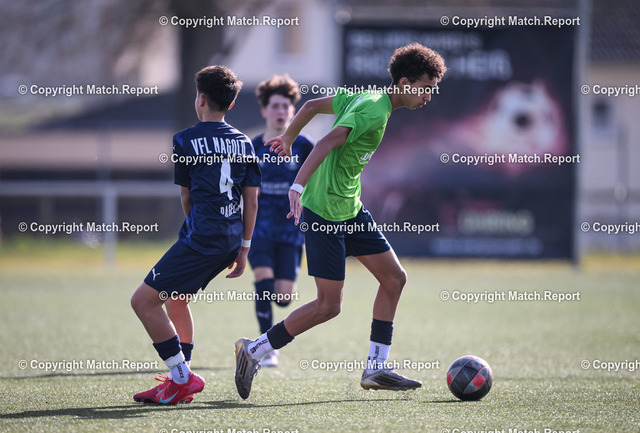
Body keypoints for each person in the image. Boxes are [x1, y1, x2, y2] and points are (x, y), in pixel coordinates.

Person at [234, 42, 446, 399]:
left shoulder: (368, 97)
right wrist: (297, 186)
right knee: (328, 306)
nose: (428, 96)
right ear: (405, 83)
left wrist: (288, 137)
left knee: (394, 278)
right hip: (324, 213)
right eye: (425, 88)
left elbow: (311, 106)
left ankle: (376, 368)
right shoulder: (374, 110)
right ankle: (253, 351)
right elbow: (326, 142)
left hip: (350, 209)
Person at [131, 65, 260, 405]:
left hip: (202, 238)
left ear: (200, 99)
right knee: (176, 299)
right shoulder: (245, 142)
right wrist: (244, 248)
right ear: (231, 104)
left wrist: (195, 233)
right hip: (231, 239)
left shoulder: (185, 139)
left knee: (143, 302)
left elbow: (186, 196)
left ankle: (182, 377)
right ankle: (179, 380)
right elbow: (251, 200)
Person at [249, 75, 314, 367]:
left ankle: (268, 340)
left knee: (284, 298)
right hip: (259, 228)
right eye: (274, 106)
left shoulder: (304, 146)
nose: (280, 111)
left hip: (291, 231)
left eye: (285, 106)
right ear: (264, 110)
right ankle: (266, 349)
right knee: (262, 280)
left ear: (293, 111)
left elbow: (317, 181)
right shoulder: (252, 147)